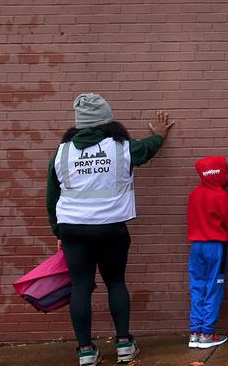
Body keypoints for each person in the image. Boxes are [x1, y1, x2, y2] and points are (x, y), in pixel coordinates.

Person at [46, 93, 175, 366]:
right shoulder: (121, 147)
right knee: (115, 282)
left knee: (80, 287)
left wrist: (58, 232)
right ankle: (124, 344)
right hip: (110, 228)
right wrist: (160, 136)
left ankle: (85, 351)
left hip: (73, 230)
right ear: (107, 119)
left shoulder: (62, 152)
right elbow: (145, 150)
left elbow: (51, 195)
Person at [187, 155, 228, 349]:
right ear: (217, 174)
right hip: (215, 247)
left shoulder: (194, 194)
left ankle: (195, 332)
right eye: (226, 171)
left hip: (196, 247)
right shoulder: (219, 195)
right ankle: (208, 333)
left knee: (197, 287)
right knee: (214, 288)